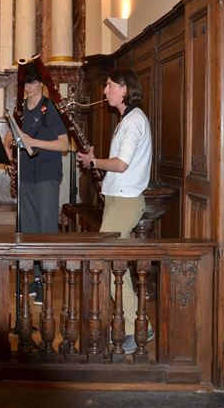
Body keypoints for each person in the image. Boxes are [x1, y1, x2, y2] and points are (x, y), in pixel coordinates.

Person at [75, 67, 152, 355]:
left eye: (109, 85)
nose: (104, 90)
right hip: (118, 199)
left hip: (126, 201)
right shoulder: (127, 120)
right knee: (116, 264)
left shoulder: (133, 121)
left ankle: (137, 326)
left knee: (106, 261)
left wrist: (95, 162)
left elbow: (121, 164)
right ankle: (130, 323)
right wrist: (97, 161)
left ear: (124, 89)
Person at [3, 63, 69, 302]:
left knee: (46, 228)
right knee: (28, 229)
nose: (28, 87)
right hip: (25, 176)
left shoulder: (50, 108)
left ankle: (47, 282)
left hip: (46, 175)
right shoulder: (21, 110)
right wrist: (9, 156)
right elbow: (8, 138)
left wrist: (33, 142)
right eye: (25, 84)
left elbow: (64, 145)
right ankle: (36, 278)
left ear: (41, 84)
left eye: (32, 83)